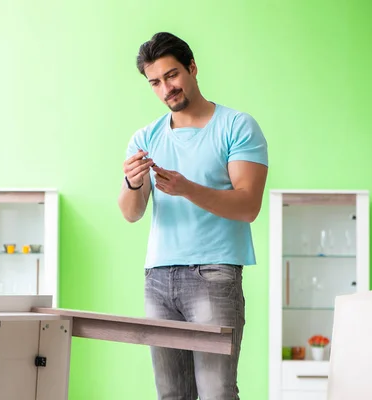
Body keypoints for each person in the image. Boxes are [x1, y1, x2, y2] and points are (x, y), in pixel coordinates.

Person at [117, 32, 269, 400]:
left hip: (214, 275)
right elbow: (131, 214)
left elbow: (248, 205)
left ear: (192, 68)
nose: (165, 88)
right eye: (155, 82)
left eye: (172, 75)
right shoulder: (145, 137)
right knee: (171, 394)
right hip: (158, 277)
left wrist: (188, 189)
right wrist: (133, 183)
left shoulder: (237, 126)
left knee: (216, 392)